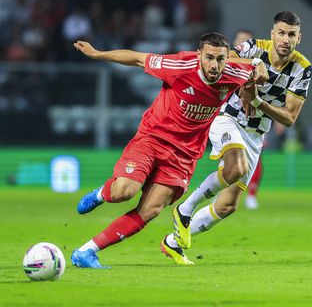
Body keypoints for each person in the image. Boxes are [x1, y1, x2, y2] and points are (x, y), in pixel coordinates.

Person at [70, 32, 268, 268]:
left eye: (220, 59)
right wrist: (97, 54)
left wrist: (253, 82)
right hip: (153, 138)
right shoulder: (180, 65)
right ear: (199, 56)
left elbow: (255, 72)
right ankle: (103, 193)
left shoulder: (234, 71)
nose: (215, 65)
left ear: (227, 59)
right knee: (124, 191)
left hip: (184, 155)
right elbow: (137, 59)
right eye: (209, 58)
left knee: (151, 209)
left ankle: (86, 252)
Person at [164, 11, 312, 256]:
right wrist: (251, 72)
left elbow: (289, 117)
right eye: (282, 33)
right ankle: (185, 209)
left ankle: (172, 241)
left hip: (256, 135)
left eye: (292, 35)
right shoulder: (254, 48)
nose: (286, 39)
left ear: (299, 38)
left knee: (227, 206)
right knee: (237, 168)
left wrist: (256, 101)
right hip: (227, 118)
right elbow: (227, 59)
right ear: (272, 33)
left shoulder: (302, 69)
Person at [232, 28, 263, 210]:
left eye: (245, 42)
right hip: (230, 116)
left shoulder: (259, 66)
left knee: (255, 159)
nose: (241, 45)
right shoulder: (225, 63)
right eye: (239, 41)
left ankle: (251, 194)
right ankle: (221, 191)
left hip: (254, 118)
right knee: (228, 157)